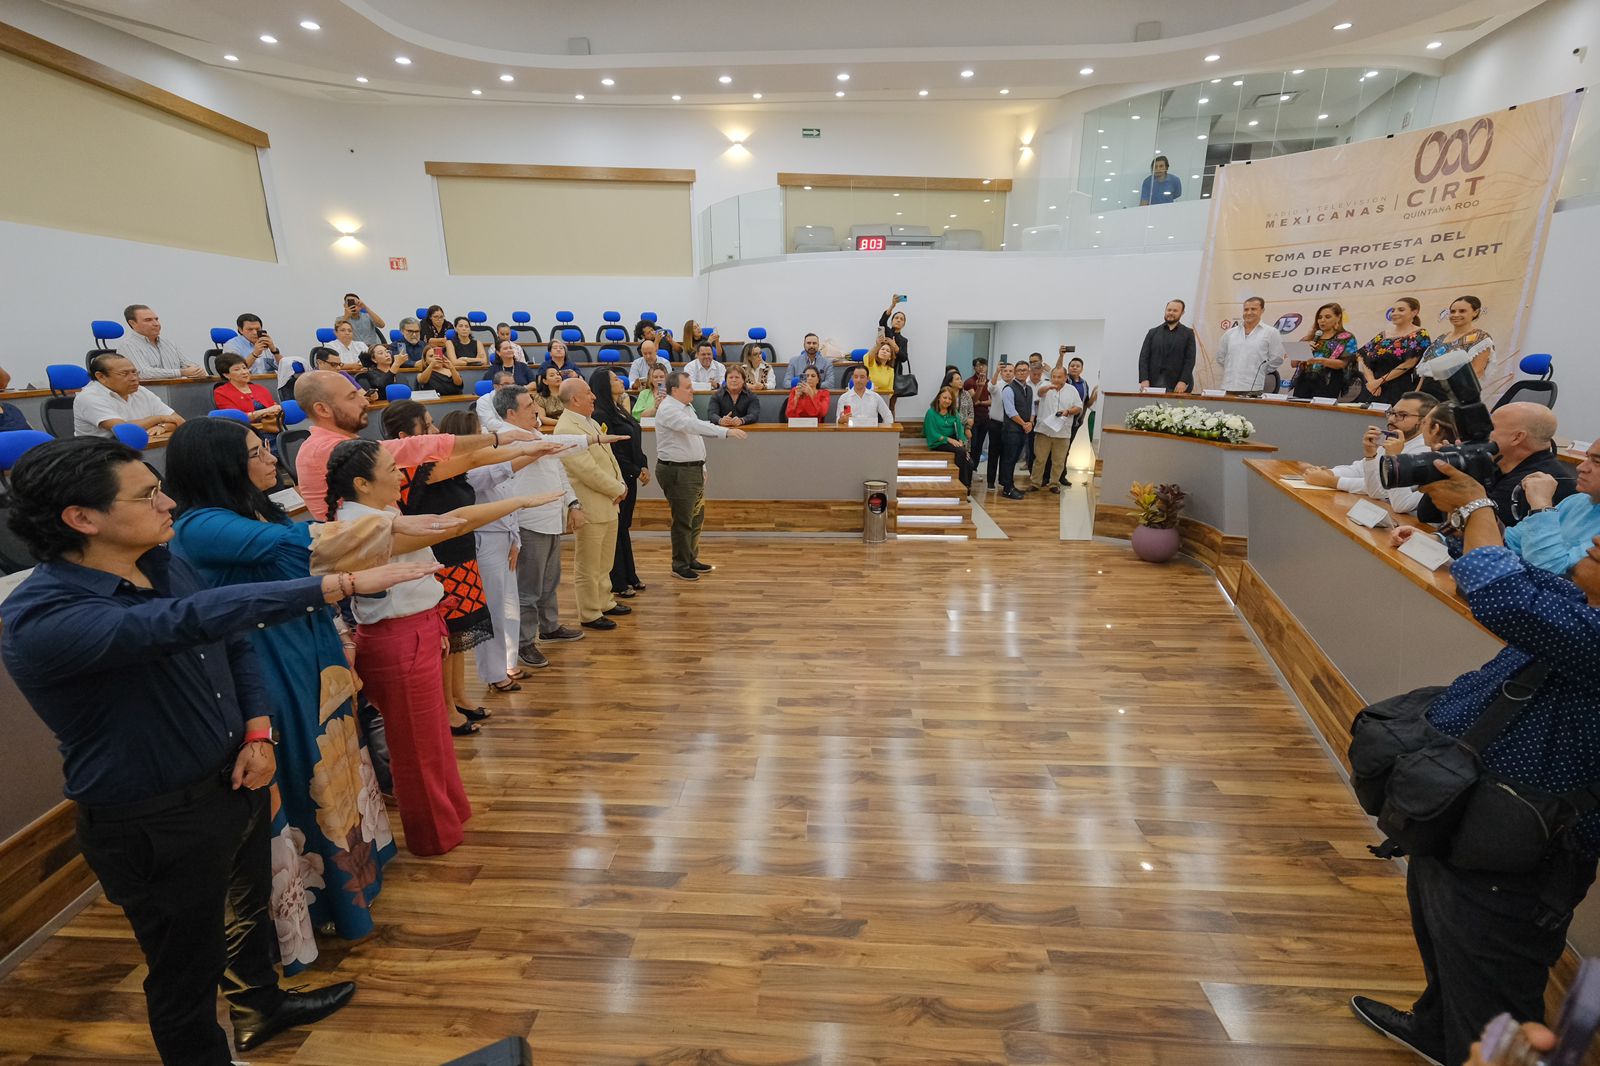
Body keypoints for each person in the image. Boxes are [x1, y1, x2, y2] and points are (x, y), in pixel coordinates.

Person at [0, 437, 421, 1061]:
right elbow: (184, 623)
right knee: (184, 974)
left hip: (235, 779)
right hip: (154, 818)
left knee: (248, 916)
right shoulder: (44, 616)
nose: (168, 502)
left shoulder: (161, 560)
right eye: (146, 495)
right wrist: (339, 584)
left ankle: (261, 1006)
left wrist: (257, 730)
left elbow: (233, 639)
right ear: (81, 519)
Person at [1349, 463, 1600, 1066]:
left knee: (1497, 990)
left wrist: (1475, 506)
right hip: (1471, 815)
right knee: (1445, 936)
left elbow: (1503, 592)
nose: (1595, 538)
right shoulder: (1580, 604)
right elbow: (1523, 583)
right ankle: (1436, 1031)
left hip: (1523, 849)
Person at [165, 418, 425, 968]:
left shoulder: (254, 506)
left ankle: (348, 885)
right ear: (222, 466)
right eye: (257, 452)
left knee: (334, 765)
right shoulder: (203, 524)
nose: (270, 460)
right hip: (270, 662)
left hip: (305, 648)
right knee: (306, 769)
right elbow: (311, 548)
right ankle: (318, 908)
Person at [325, 439, 557, 856]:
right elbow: (453, 522)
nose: (400, 475)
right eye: (391, 470)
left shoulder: (381, 511)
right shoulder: (359, 525)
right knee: (416, 750)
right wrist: (521, 500)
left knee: (433, 741)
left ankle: (450, 814)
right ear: (362, 483)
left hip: (417, 629)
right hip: (396, 639)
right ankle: (433, 835)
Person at [385, 400, 534, 729]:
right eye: (427, 426)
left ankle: (459, 696)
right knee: (446, 636)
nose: (435, 431)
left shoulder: (440, 463)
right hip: (439, 559)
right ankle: (446, 710)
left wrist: (532, 448)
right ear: (403, 437)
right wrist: (513, 446)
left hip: (461, 554)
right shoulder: (411, 472)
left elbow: (483, 462)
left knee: (460, 633)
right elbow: (484, 460)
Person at [292, 370, 547, 521]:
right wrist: (497, 439)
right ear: (322, 409)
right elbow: (417, 449)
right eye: (351, 397)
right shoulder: (323, 449)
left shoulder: (342, 442)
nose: (364, 402)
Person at [490, 387, 591, 668]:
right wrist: (591, 440)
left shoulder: (535, 434)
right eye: (528, 405)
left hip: (551, 519)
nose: (536, 408)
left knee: (549, 581)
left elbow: (558, 470)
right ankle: (524, 642)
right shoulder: (508, 443)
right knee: (529, 588)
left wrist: (573, 503)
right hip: (529, 523)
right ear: (511, 413)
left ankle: (549, 626)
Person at [1416, 403, 1577, 531]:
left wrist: (1455, 475)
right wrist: (1449, 464)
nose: (1480, 434)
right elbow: (1427, 514)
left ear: (1517, 437)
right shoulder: (1498, 465)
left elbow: (1470, 528)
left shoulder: (1534, 481)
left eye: (1490, 428)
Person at [655, 370, 747, 581]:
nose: (692, 391)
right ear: (674, 390)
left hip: (692, 469)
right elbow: (693, 426)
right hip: (678, 471)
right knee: (684, 520)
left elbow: (694, 438)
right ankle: (679, 564)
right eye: (688, 387)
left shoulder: (686, 406)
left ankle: (690, 557)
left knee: (696, 518)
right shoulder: (668, 409)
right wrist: (725, 432)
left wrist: (702, 466)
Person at [554, 378, 629, 631]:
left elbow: (608, 457)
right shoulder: (566, 428)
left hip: (608, 502)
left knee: (605, 560)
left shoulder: (591, 421)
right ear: (575, 399)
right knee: (588, 562)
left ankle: (604, 600)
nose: (594, 397)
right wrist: (617, 488)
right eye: (588, 393)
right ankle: (589, 611)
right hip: (590, 504)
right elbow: (586, 470)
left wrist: (620, 483)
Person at [1301, 392, 1440, 512]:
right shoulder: (1394, 438)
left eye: (1402, 415)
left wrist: (1331, 481)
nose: (1391, 419)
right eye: (1391, 413)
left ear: (1424, 421)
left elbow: (1382, 490)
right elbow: (1359, 470)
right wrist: (1328, 473)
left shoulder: (1426, 450)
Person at [1503, 441, 1600, 577]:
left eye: (1596, 462)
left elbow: (1550, 575)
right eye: (1587, 458)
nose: (1580, 467)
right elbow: (1510, 541)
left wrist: (1541, 506)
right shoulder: (1577, 501)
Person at [591, 367, 647, 600]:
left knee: (623, 527)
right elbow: (613, 449)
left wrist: (643, 465)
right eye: (614, 379)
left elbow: (634, 438)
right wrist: (634, 470)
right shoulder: (601, 414)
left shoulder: (619, 407)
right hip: (618, 478)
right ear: (604, 385)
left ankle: (630, 575)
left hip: (631, 477)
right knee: (616, 529)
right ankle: (618, 580)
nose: (620, 381)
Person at [73, 352, 184, 440]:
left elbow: (179, 420)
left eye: (134, 372)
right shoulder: (88, 397)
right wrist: (159, 418)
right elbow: (125, 430)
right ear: (101, 377)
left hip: (137, 451)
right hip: (98, 457)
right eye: (124, 374)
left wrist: (162, 426)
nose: (133, 378)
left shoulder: (140, 390)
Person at [1353, 297, 1431, 406]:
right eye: (1393, 310)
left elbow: (1410, 363)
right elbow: (1363, 356)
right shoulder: (1383, 334)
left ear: (1414, 312)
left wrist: (1378, 382)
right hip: (1372, 389)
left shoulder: (1420, 334)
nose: (1394, 313)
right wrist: (1371, 382)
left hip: (1397, 389)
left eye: (1401, 310)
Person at [1417, 296, 1495, 403]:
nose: (1456, 315)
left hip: (1455, 395)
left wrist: (1456, 400)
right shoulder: (1441, 338)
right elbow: (1424, 372)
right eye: (1453, 311)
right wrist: (1415, 395)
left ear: (1475, 312)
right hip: (1426, 394)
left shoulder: (1481, 338)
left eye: (1462, 311)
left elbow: (1477, 372)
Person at [115, 304, 206, 381]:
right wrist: (181, 372)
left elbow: (189, 364)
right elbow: (143, 373)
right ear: (132, 323)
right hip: (148, 394)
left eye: (156, 319)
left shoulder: (169, 343)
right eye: (148, 320)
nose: (156, 324)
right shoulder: (128, 345)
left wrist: (197, 370)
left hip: (175, 390)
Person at [1215, 297, 1286, 394]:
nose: (1249, 313)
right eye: (1246, 309)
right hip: (1229, 386)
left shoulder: (1271, 333)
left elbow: (1277, 358)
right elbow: (1220, 357)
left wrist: (1259, 371)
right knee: (1227, 410)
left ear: (1262, 310)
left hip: (1254, 388)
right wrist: (1234, 368)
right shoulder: (1230, 333)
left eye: (1253, 309)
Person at [1291, 302, 1359, 400]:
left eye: (1327, 317)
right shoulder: (1308, 338)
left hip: (1328, 382)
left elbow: (1344, 363)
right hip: (1303, 381)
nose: (1322, 321)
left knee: (1320, 414)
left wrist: (1322, 361)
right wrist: (1303, 349)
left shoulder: (1347, 337)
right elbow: (1293, 364)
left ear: (1338, 317)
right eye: (1320, 317)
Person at [1033, 365, 1083, 491]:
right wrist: (1048, 387)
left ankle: (1054, 484)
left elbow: (1079, 407)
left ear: (1066, 377)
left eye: (1059, 377)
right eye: (1054, 376)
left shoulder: (1072, 390)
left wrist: (1068, 411)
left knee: (1059, 461)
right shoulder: (1044, 386)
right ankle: (1035, 483)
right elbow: (1039, 393)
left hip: (1062, 432)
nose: (1056, 379)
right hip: (1044, 430)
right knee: (1040, 459)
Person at [212, 352, 283, 436]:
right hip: (245, 434)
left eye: (244, 368)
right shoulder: (221, 392)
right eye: (237, 369)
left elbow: (275, 410)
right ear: (226, 375)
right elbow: (235, 418)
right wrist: (266, 411)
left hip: (273, 430)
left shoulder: (259, 388)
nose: (244, 372)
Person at [1138, 300, 1196, 393]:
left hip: (1178, 385)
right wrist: (1144, 379)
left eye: (1175, 310)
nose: (1171, 313)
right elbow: (1143, 358)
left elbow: (1190, 360)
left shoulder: (1188, 333)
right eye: (1169, 310)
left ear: (1182, 313)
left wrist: (1183, 381)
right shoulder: (1152, 332)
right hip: (1153, 383)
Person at [923, 385, 973, 494]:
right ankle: (961, 486)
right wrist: (949, 440)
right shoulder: (931, 413)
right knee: (961, 452)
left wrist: (961, 442)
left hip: (953, 442)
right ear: (939, 398)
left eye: (950, 399)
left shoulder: (953, 412)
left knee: (970, 463)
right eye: (945, 398)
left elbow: (960, 430)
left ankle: (967, 489)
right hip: (938, 442)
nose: (947, 401)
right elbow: (931, 432)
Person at [997, 358, 1035, 499]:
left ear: (1028, 372)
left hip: (1024, 430)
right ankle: (1007, 488)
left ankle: (1010, 485)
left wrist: (1030, 422)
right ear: (1014, 373)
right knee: (1009, 459)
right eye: (1018, 370)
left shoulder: (1029, 389)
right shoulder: (1009, 389)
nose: (1021, 372)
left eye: (1024, 370)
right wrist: (1024, 424)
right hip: (1011, 430)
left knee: (1015, 459)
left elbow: (1032, 409)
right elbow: (1010, 411)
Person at [984, 361, 1013, 490]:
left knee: (1007, 454)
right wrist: (995, 372)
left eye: (1010, 371)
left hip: (1011, 425)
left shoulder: (1016, 387)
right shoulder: (997, 384)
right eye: (1005, 371)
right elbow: (990, 387)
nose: (1008, 373)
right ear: (1001, 373)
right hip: (996, 424)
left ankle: (1004, 480)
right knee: (993, 453)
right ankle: (990, 481)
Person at [964, 358, 993, 470]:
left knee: (979, 446)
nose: (981, 367)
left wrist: (982, 402)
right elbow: (974, 401)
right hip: (972, 419)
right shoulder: (969, 382)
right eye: (978, 365)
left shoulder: (990, 382)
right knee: (973, 445)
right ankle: (969, 470)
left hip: (985, 418)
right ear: (974, 367)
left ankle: (974, 469)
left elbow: (993, 401)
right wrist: (980, 387)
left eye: (983, 365)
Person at [878, 297, 910, 375]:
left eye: (901, 319)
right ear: (892, 321)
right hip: (882, 367)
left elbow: (904, 358)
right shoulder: (887, 332)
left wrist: (894, 346)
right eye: (896, 318)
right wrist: (892, 305)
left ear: (903, 324)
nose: (898, 320)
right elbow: (882, 321)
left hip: (896, 372)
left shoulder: (904, 340)